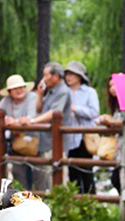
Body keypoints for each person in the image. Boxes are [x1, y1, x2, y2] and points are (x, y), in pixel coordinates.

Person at [30, 62, 77, 191]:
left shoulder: (62, 91)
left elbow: (54, 113)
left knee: (57, 175)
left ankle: (61, 206)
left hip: (56, 142)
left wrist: (32, 121)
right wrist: (39, 95)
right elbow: (39, 110)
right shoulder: (49, 91)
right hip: (45, 140)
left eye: (46, 75)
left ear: (56, 76)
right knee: (45, 176)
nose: (44, 79)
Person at [64, 61, 99, 194]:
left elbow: (94, 112)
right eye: (67, 74)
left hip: (84, 137)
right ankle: (76, 204)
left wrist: (75, 109)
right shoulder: (64, 92)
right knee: (72, 173)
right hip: (69, 138)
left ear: (80, 76)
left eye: (72, 74)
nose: (69, 77)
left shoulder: (90, 92)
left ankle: (91, 203)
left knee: (86, 172)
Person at [0, 74, 38, 191]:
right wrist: (6, 120)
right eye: (15, 88)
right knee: (18, 173)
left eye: (21, 87)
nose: (19, 90)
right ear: (9, 92)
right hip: (16, 142)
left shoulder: (32, 97)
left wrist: (14, 122)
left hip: (35, 141)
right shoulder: (6, 101)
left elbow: (31, 117)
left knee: (38, 174)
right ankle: (21, 198)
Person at [97, 76, 125, 193]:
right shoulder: (116, 106)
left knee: (120, 179)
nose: (112, 89)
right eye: (110, 86)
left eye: (115, 85)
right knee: (118, 179)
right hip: (120, 148)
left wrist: (111, 122)